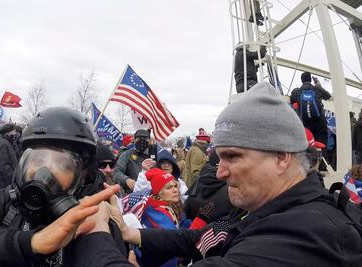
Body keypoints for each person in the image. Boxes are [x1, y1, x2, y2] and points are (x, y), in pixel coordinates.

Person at [82, 82, 362, 266]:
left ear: (281, 157)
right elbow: (206, 236)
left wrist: (97, 235)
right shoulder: (264, 206)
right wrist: (131, 232)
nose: (221, 172)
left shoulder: (308, 234)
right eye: (219, 156)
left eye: (233, 157)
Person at [0, 107, 121, 267]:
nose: (44, 172)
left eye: (62, 165)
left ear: (83, 176)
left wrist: (97, 234)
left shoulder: (95, 218)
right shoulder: (9, 202)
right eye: (37, 160)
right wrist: (32, 243)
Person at [290, 72, 331, 145]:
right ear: (310, 79)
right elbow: (328, 96)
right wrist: (318, 84)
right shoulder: (317, 89)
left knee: (307, 146)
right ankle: (322, 155)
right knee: (321, 145)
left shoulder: (297, 91)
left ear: (301, 80)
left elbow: (292, 101)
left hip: (305, 123)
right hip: (319, 122)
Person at [114, 129, 153, 193]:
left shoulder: (155, 154)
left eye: (145, 138)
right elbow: (117, 172)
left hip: (152, 193)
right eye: (139, 138)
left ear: (149, 140)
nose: (142, 141)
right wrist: (126, 179)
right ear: (134, 140)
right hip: (133, 194)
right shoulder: (127, 154)